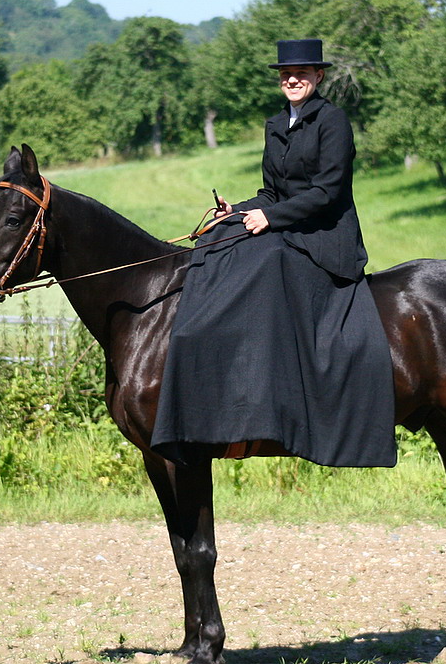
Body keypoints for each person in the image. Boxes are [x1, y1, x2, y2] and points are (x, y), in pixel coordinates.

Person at [150, 39, 396, 468]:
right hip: (287, 221)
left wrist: (270, 219)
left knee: (266, 259)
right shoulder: (275, 123)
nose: (293, 79)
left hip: (325, 233)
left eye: (301, 73)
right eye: (286, 74)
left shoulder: (332, 120)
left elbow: (327, 191)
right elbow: (269, 192)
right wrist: (238, 212)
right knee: (218, 239)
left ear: (318, 76)